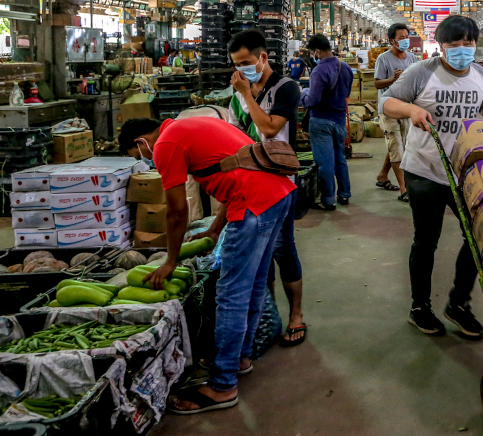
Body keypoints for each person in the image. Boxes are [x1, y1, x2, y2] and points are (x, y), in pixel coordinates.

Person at [119, 116, 296, 414]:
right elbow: (238, 169)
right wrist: (215, 229)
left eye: (140, 155)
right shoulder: (191, 126)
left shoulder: (165, 144)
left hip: (254, 203)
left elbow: (176, 209)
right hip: (276, 194)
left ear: (141, 142)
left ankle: (222, 386)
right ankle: (240, 358)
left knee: (230, 295)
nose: (146, 160)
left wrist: (170, 260)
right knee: (251, 285)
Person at [382, 15, 483, 338]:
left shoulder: (480, 73)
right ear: (441, 46)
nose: (461, 49)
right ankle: (420, 307)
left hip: (464, 172)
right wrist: (411, 110)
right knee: (426, 241)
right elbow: (385, 102)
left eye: (467, 43)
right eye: (453, 44)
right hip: (424, 170)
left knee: (477, 236)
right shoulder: (421, 72)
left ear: (475, 44)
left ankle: (458, 302)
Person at [226, 30, 305, 347]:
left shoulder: (285, 88)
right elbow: (234, 138)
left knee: (282, 248)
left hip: (280, 182)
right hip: (249, 183)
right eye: (236, 64)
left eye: (246, 62)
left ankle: (296, 315)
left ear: (263, 57)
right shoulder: (235, 96)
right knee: (258, 255)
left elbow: (271, 127)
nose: (242, 69)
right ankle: (267, 314)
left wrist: (247, 95)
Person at [300, 34, 353, 211]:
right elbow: (346, 93)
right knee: (340, 159)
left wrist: (302, 97)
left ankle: (328, 199)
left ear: (316, 51)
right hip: (339, 122)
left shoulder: (319, 70)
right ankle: (344, 194)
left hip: (321, 121)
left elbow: (313, 99)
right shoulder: (345, 67)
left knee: (325, 163)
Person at [374, 23, 417, 202]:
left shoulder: (413, 59)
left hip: (406, 109)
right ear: (392, 41)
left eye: (407, 36)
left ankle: (382, 176)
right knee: (396, 147)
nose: (405, 40)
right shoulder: (383, 59)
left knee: (399, 146)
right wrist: (393, 79)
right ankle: (403, 188)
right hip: (389, 108)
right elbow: (377, 84)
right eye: (401, 38)